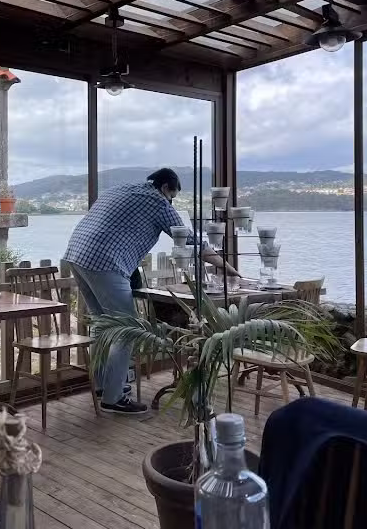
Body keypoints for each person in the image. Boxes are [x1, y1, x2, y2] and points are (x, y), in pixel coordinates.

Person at [65, 168, 238, 415]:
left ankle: (104, 386)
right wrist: (229, 268)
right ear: (166, 187)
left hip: (76, 255)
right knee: (127, 330)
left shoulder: (121, 189)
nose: (171, 202)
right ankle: (114, 398)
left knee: (103, 326)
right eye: (172, 197)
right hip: (106, 263)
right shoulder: (158, 202)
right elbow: (190, 240)